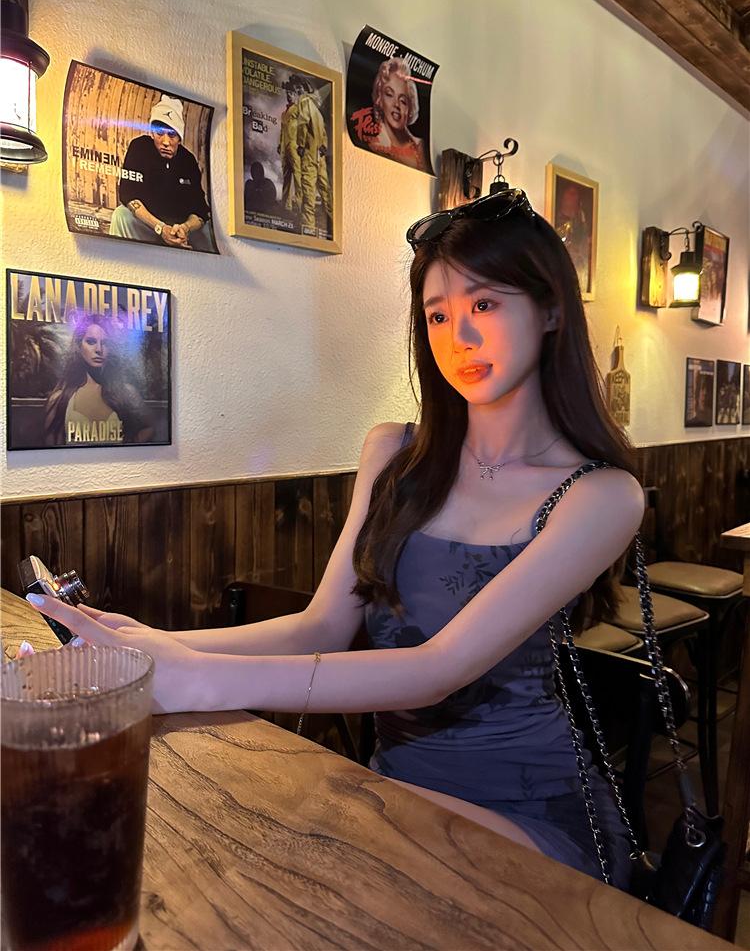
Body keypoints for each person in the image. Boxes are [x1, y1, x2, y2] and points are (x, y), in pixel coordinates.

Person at [29, 190, 644, 890]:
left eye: (485, 304)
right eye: (437, 315)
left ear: (552, 309)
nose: (459, 338)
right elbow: (321, 625)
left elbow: (439, 667)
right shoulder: (393, 453)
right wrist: (154, 645)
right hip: (398, 787)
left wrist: (193, 676)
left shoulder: (601, 495)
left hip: (530, 813)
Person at [109, 94, 214, 252]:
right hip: (149, 225)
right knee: (121, 215)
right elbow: (128, 194)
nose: (165, 142)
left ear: (179, 138)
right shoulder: (139, 147)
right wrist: (160, 228)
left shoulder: (188, 160)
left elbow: (200, 210)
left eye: (172, 135)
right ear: (152, 133)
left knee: (208, 230)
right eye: (159, 133)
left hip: (181, 229)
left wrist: (185, 228)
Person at [44, 315, 154, 446]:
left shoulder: (126, 393)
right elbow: (50, 448)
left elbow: (150, 428)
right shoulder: (59, 399)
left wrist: (126, 447)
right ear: (79, 346)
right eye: (91, 342)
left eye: (105, 343)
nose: (99, 349)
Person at [354, 57, 429, 173]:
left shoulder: (421, 147)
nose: (396, 105)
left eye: (403, 100)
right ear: (380, 99)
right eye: (389, 94)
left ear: (410, 108)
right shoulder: (374, 146)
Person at [296, 78, 333, 234]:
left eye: (299, 88)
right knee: (326, 192)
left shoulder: (305, 103)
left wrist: (300, 144)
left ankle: (309, 229)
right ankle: (332, 224)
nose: (297, 92)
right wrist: (324, 146)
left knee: (309, 193)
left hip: (310, 156)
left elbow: (302, 125)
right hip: (319, 157)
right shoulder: (317, 111)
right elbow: (323, 133)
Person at [278, 80, 302, 214]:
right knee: (286, 175)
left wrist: (301, 144)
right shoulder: (283, 114)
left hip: (294, 146)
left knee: (297, 175)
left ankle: (299, 205)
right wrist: (279, 144)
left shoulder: (299, 110)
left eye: (291, 93)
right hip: (285, 146)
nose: (289, 95)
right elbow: (282, 130)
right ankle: (285, 206)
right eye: (287, 92)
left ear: (296, 94)